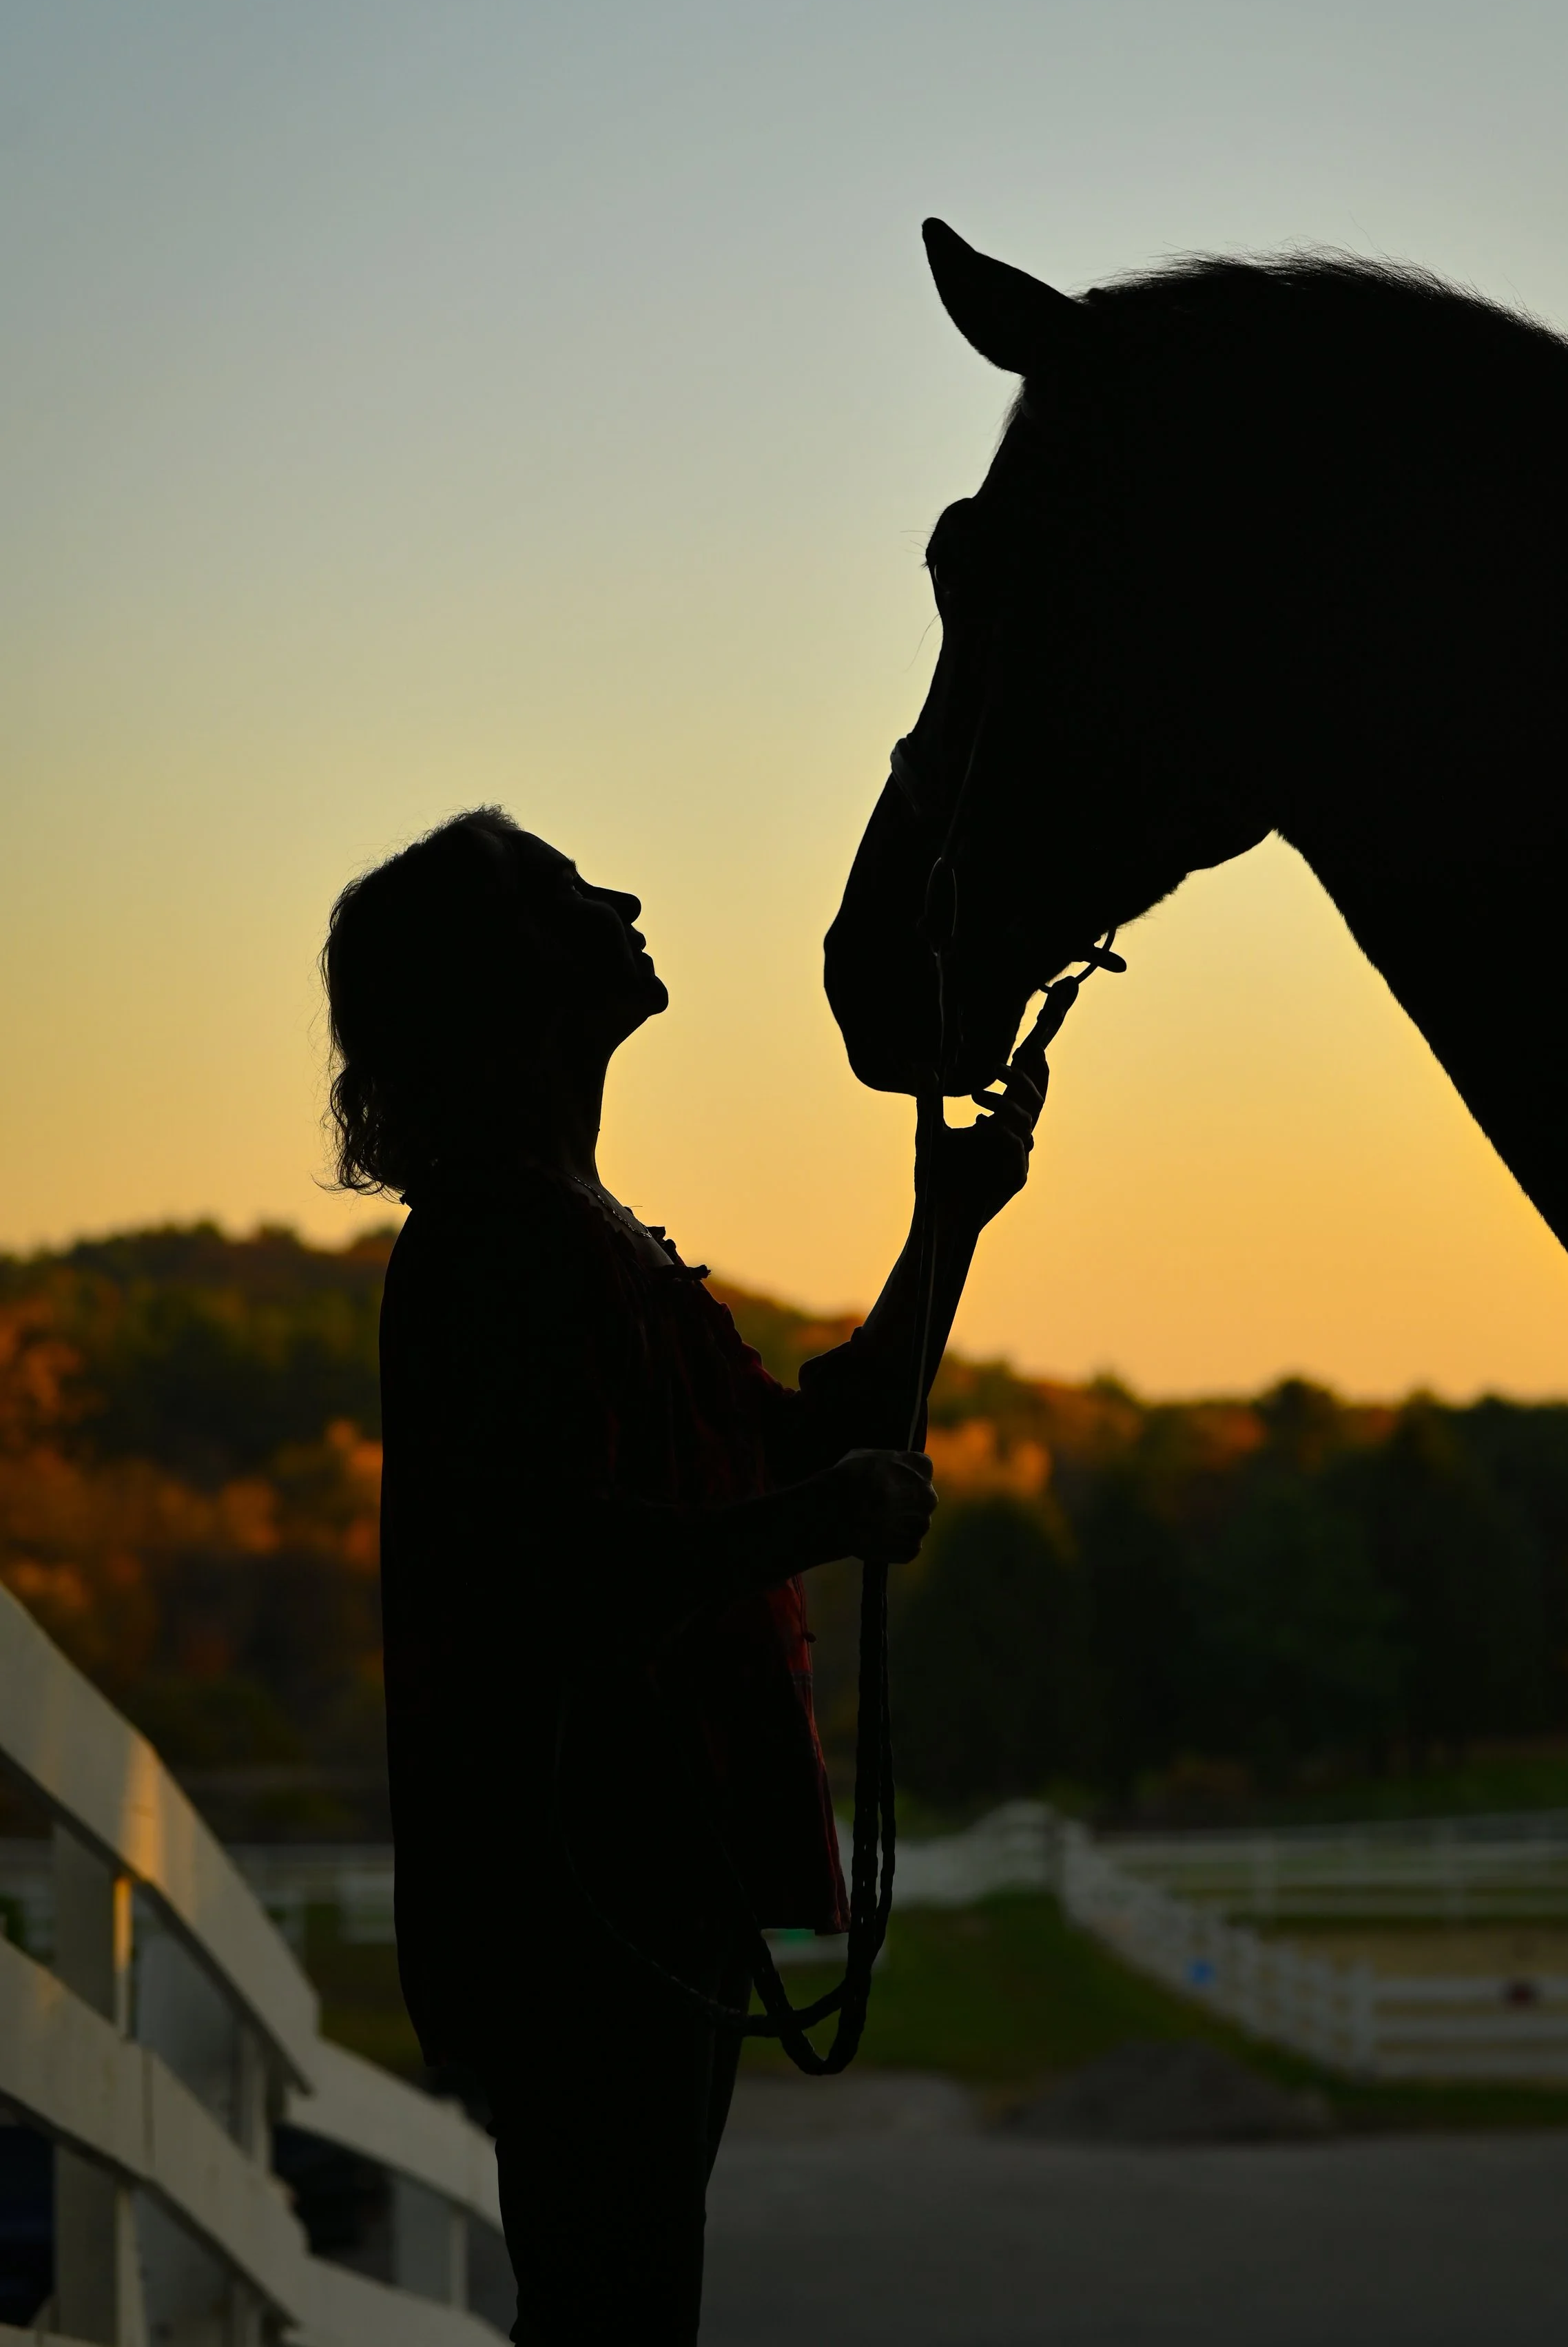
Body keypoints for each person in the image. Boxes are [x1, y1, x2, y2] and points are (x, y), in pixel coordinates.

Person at [319, 806, 1053, 2345]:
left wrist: (948, 1226)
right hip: (588, 1888)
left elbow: (804, 1445)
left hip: (642, 1876)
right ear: (506, 976)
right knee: (615, 2301)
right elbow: (555, 1568)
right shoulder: (500, 1246)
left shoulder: (581, 1238)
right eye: (571, 889)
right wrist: (823, 1518)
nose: (626, 896)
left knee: (623, 2295)